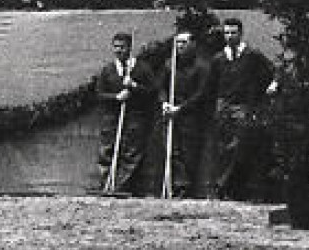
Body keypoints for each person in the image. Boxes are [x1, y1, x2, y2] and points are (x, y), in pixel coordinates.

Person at [209, 18, 278, 201]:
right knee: (223, 148)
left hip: (243, 107)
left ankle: (223, 186)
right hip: (223, 106)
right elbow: (210, 85)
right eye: (226, 33)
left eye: (233, 33)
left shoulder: (252, 55)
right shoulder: (218, 59)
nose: (229, 36)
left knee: (238, 146)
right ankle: (227, 190)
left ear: (241, 34)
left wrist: (274, 84)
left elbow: (273, 70)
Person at [94, 32, 158, 195]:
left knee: (131, 152)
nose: (118, 50)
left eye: (122, 47)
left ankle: (121, 187)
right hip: (111, 117)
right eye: (115, 47)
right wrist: (116, 97)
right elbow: (99, 94)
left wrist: (134, 86)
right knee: (107, 151)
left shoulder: (142, 68)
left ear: (129, 48)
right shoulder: (107, 70)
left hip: (135, 116)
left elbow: (152, 92)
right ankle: (106, 185)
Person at [156, 30, 212, 199]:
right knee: (172, 151)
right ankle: (177, 186)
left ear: (193, 45)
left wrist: (180, 108)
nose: (180, 46)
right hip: (170, 114)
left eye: (184, 43)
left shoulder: (202, 67)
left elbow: (201, 94)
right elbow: (160, 87)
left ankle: (187, 189)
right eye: (178, 43)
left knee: (189, 153)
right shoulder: (169, 65)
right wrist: (164, 102)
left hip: (191, 116)